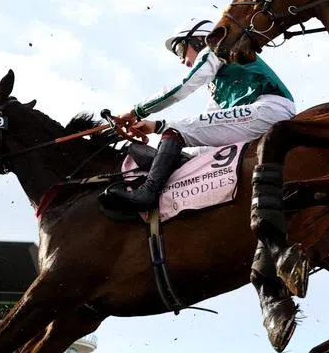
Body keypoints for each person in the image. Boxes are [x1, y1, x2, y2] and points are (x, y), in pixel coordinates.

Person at [102, 18, 296, 212]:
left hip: (268, 109)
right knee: (191, 153)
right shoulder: (218, 87)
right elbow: (204, 126)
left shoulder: (214, 50)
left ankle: (147, 193)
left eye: (180, 50)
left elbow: (183, 87)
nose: (182, 60)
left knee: (177, 130)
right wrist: (157, 126)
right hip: (258, 115)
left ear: (198, 41)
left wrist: (136, 111)